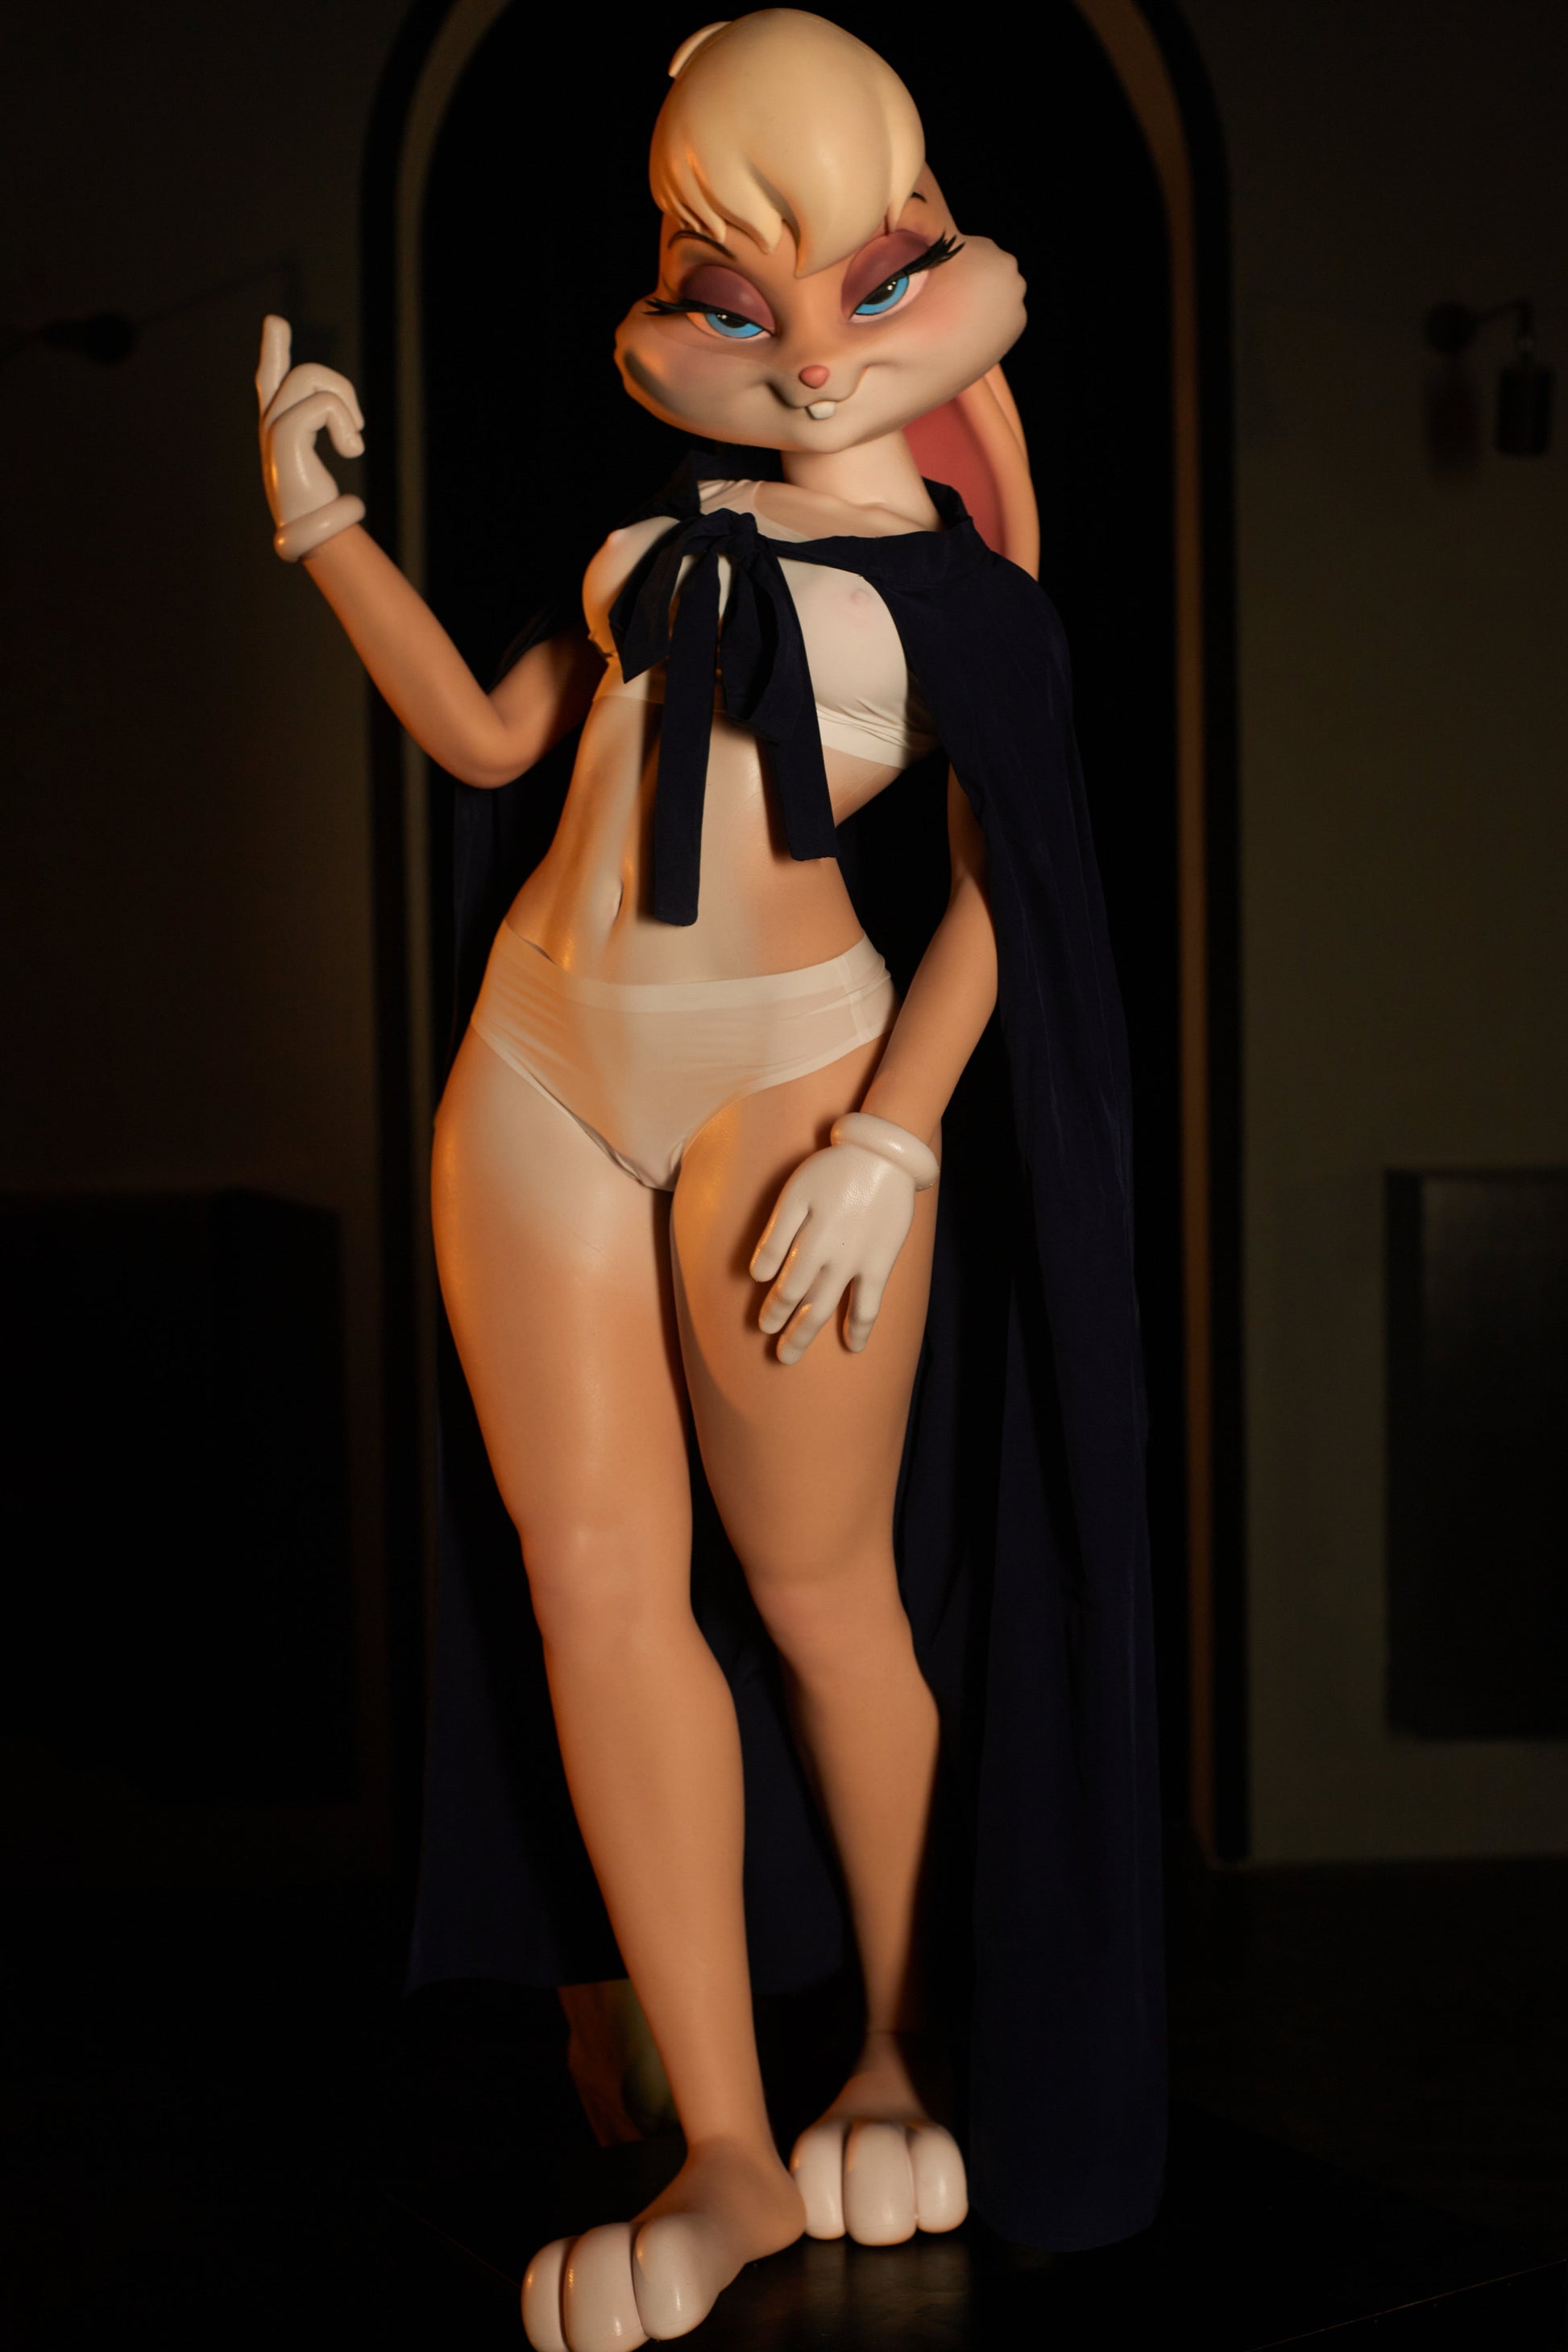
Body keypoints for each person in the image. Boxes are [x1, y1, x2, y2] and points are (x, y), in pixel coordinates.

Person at [256, 14, 1165, 2346]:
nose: (806, 347)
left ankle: (895, 2049)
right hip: (535, 1067)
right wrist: (322, 532)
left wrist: (896, 1134)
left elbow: (1018, 893)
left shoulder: (971, 593)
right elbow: (488, 737)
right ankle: (728, 2146)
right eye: (733, 292)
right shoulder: (649, 533)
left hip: (794, 1077)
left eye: (872, 277)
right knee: (591, 1591)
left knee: (824, 1592)